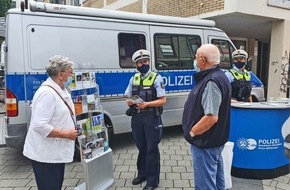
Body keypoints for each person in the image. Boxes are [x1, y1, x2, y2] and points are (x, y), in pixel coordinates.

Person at [23, 55, 78, 190]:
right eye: (70, 72)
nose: (72, 75)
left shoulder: (60, 89)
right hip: (45, 156)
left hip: (54, 153)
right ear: (61, 74)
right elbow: (39, 125)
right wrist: (66, 134)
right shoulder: (47, 93)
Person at [182, 44, 231, 190]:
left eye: (196, 56)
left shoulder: (211, 82)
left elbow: (211, 118)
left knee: (205, 185)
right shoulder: (220, 76)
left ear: (203, 60)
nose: (194, 60)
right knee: (217, 180)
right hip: (214, 141)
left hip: (205, 142)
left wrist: (192, 133)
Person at [124, 49, 166, 190]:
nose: (144, 64)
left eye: (146, 61)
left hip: (151, 117)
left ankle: (152, 181)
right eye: (140, 62)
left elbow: (163, 100)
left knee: (151, 149)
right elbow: (128, 96)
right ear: (136, 65)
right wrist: (130, 102)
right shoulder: (133, 78)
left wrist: (147, 104)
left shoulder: (156, 78)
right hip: (137, 117)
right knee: (141, 147)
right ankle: (142, 174)